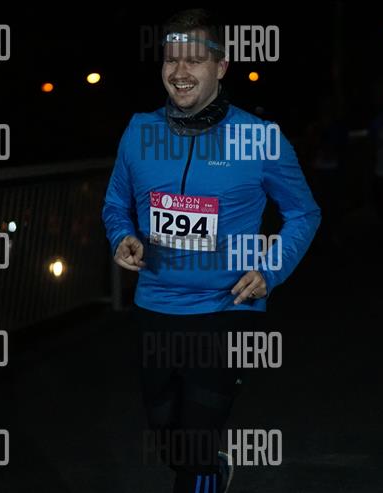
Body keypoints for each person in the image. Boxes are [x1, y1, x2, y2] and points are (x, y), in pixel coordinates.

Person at [102, 9, 320, 492]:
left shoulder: (260, 138)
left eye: (194, 60)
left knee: (196, 443)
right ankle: (213, 470)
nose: (179, 72)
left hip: (227, 308)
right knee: (168, 435)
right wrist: (122, 236)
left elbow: (304, 213)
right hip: (156, 306)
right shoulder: (139, 131)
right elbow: (116, 203)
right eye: (170, 60)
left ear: (221, 67)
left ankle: (204, 471)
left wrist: (271, 271)